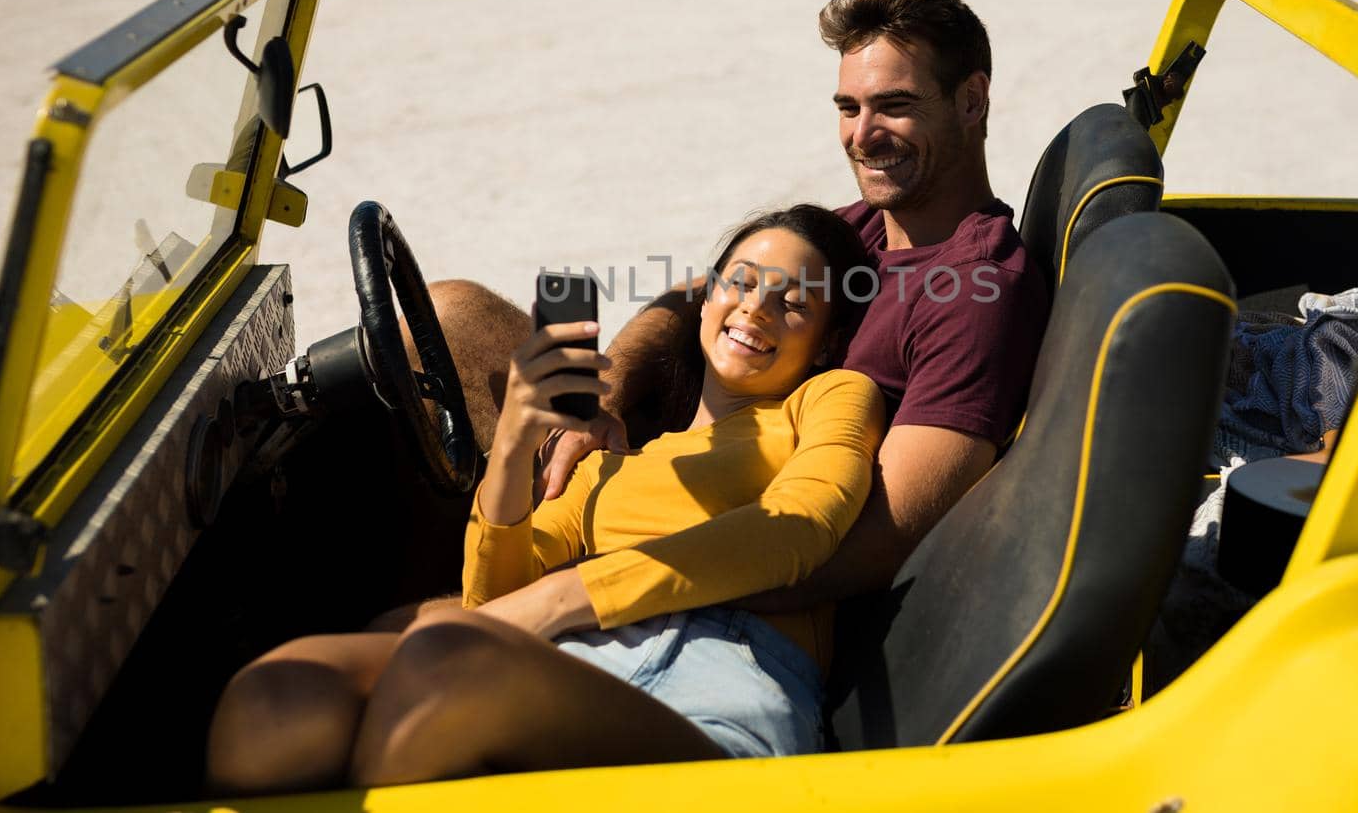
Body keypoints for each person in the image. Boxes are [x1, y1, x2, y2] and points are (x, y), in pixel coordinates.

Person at [206, 206, 885, 790]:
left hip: (719, 682)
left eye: (793, 301)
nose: (756, 308)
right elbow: (494, 600)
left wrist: (562, 597)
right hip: (564, 671)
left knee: (443, 663)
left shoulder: (829, 398)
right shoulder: (605, 460)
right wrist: (512, 443)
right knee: (275, 697)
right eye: (738, 282)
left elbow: (798, 527)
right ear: (704, 299)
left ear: (827, 343)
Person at [528, 0, 1049, 608]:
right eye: (848, 108)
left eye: (896, 106)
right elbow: (695, 297)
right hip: (642, 475)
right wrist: (598, 402)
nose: (863, 135)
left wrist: (604, 583)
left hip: (702, 570)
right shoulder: (861, 227)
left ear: (972, 101)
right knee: (457, 309)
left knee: (421, 627)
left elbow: (879, 544)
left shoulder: (975, 294)